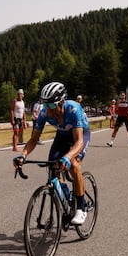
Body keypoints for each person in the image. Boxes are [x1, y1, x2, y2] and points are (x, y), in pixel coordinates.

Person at [13, 82, 91, 225]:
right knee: (54, 167)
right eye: (45, 105)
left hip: (80, 135)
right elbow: (34, 139)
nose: (47, 110)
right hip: (62, 135)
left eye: (50, 106)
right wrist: (23, 155)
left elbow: (79, 142)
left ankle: (81, 207)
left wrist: (68, 157)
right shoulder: (44, 113)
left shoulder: (73, 109)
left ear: (61, 102)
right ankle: (67, 198)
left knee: (73, 164)